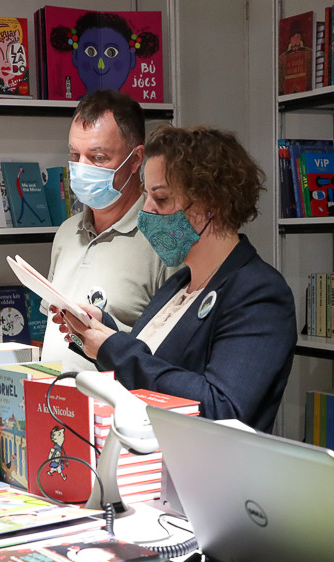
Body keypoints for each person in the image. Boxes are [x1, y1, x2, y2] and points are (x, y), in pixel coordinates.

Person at [55, 126, 298, 433]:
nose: (146, 211)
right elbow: (154, 363)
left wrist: (113, 348)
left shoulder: (259, 293)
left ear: (211, 205)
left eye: (161, 198)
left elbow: (222, 408)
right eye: (147, 195)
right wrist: (101, 331)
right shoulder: (180, 283)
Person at [42, 89, 172, 371]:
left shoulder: (166, 238)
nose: (81, 168)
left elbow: (176, 353)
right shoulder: (66, 232)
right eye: (74, 155)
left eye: (98, 157)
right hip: (54, 395)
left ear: (136, 159)